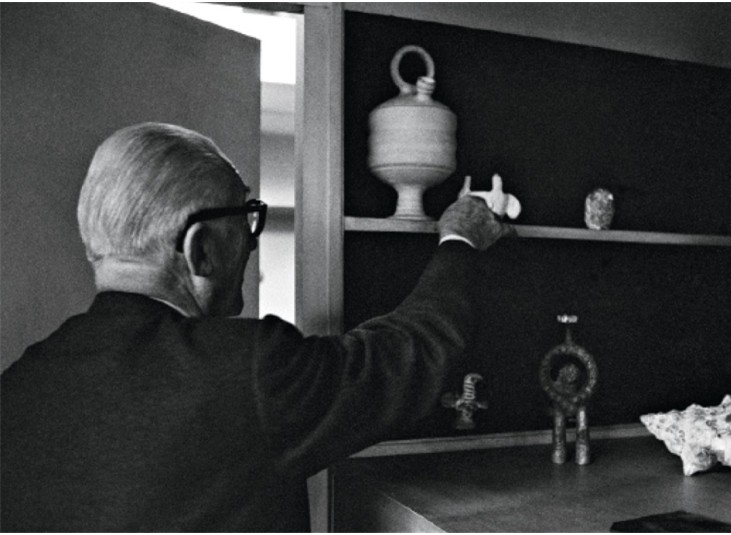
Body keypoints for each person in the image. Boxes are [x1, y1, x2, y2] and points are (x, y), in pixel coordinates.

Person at [0, 122, 513, 532]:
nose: (250, 245)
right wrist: (459, 239)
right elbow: (412, 351)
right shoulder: (248, 371)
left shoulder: (19, 385)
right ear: (200, 248)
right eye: (246, 220)